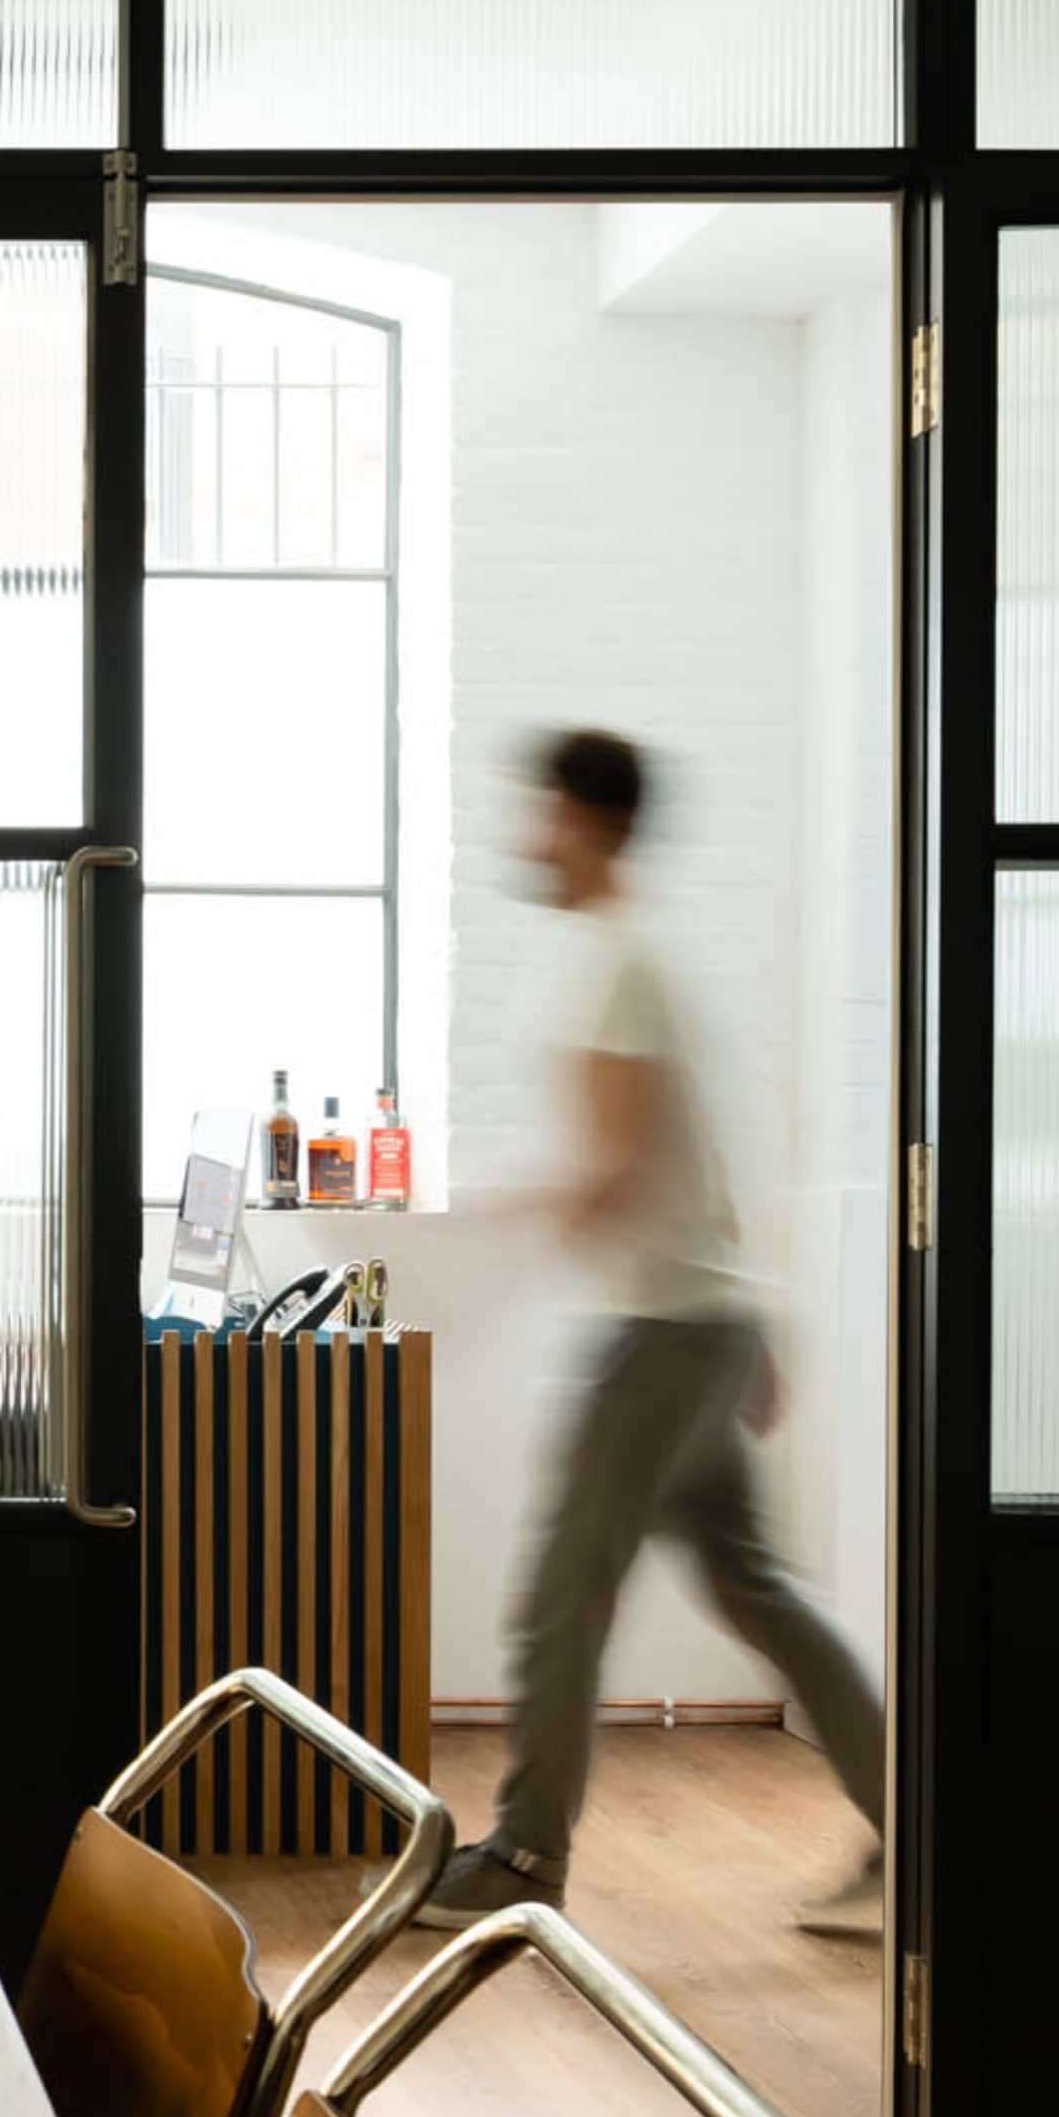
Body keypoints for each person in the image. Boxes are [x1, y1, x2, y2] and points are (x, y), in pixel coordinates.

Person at [416, 727, 885, 1940]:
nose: (524, 833)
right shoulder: (640, 959)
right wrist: (753, 1330)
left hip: (661, 1339)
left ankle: (523, 1859)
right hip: (704, 1324)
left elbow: (616, 1172)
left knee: (558, 1599)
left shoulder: (616, 964)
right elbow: (702, 1164)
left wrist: (460, 1238)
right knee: (762, 1593)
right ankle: (924, 1840)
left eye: (538, 811)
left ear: (586, 819)